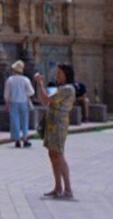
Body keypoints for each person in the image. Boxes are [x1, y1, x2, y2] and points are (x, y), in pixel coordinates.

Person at [34, 63, 77, 200]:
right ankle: (58, 187)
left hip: (59, 124)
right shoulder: (61, 88)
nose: (57, 75)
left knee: (58, 153)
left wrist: (40, 83)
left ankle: (68, 189)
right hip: (52, 123)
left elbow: (47, 99)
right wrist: (39, 85)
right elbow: (44, 101)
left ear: (66, 74)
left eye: (59, 73)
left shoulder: (68, 88)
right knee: (52, 154)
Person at [5, 58, 34, 147]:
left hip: (13, 102)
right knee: (24, 121)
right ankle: (25, 139)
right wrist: (25, 94)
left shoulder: (10, 80)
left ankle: (17, 140)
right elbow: (31, 92)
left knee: (15, 121)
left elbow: (6, 93)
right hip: (24, 102)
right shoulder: (25, 79)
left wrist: (6, 102)